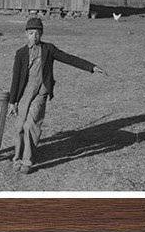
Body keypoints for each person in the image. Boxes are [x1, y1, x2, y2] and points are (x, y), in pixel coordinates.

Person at [8, 16, 105, 174]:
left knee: (30, 125)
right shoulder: (21, 54)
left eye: (37, 33)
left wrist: (91, 67)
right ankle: (17, 158)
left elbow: (68, 58)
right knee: (19, 127)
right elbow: (15, 78)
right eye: (31, 33)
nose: (34, 37)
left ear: (42, 34)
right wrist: (12, 102)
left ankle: (27, 161)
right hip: (25, 93)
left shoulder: (48, 50)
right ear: (26, 34)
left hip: (40, 92)